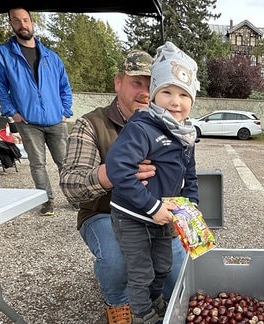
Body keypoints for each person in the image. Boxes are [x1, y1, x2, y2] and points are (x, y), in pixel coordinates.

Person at [59, 49, 186, 323]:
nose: (144, 92)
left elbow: (184, 175)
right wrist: (113, 173)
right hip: (104, 213)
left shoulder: (168, 125)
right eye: (136, 82)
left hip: (154, 214)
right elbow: (70, 185)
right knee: (119, 261)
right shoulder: (91, 124)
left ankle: (158, 304)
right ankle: (119, 307)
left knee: (178, 272)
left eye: (151, 84)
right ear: (118, 83)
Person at [105, 41, 199, 324]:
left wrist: (191, 207)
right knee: (141, 270)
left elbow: (190, 175)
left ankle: (155, 299)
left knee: (163, 265)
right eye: (166, 92)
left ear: (192, 100)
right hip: (132, 215)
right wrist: (151, 206)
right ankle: (142, 313)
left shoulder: (186, 135)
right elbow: (117, 168)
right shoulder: (143, 127)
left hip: (163, 214)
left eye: (183, 94)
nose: (175, 101)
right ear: (154, 96)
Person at [0, 7, 73, 216]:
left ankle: (75, 198)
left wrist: (65, 110)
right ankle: (46, 200)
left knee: (65, 162)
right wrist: (12, 111)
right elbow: (0, 86)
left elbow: (65, 86)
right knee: (37, 164)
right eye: (16, 21)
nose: (22, 25)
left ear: (32, 22)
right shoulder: (4, 54)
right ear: (11, 24)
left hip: (56, 119)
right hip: (28, 121)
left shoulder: (51, 57)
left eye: (25, 20)